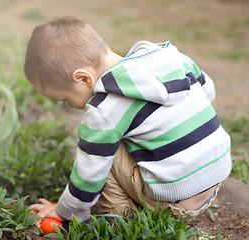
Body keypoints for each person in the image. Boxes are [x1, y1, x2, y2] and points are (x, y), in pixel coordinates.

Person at [25, 16, 232, 223]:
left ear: (83, 78)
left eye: (64, 99)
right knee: (124, 129)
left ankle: (122, 218)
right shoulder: (168, 57)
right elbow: (208, 91)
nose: (69, 105)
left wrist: (65, 211)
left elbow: (90, 173)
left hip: (173, 203)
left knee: (100, 150)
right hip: (213, 182)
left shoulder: (104, 108)